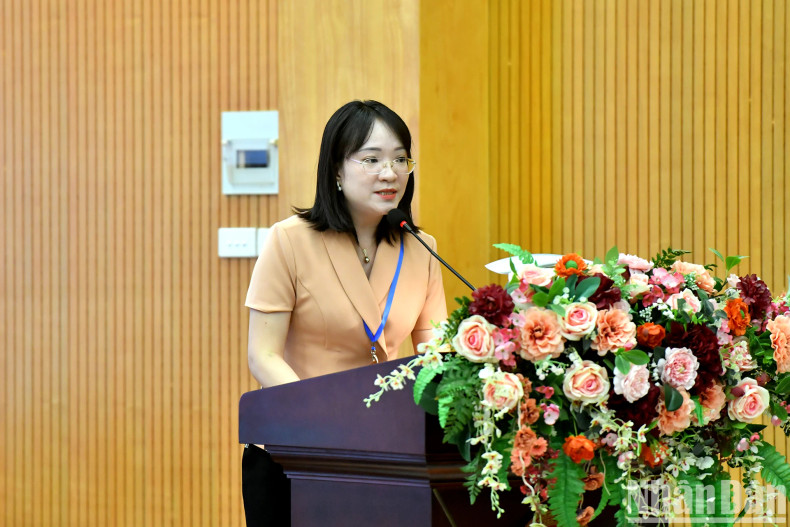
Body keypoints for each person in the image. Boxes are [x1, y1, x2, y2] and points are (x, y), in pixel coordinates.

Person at [241, 100, 447, 526]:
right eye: (371, 159)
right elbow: (263, 355)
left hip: (383, 453)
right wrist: (325, 418)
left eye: (399, 159)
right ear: (336, 169)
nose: (389, 173)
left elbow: (435, 357)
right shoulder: (289, 241)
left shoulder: (420, 247)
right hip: (294, 450)